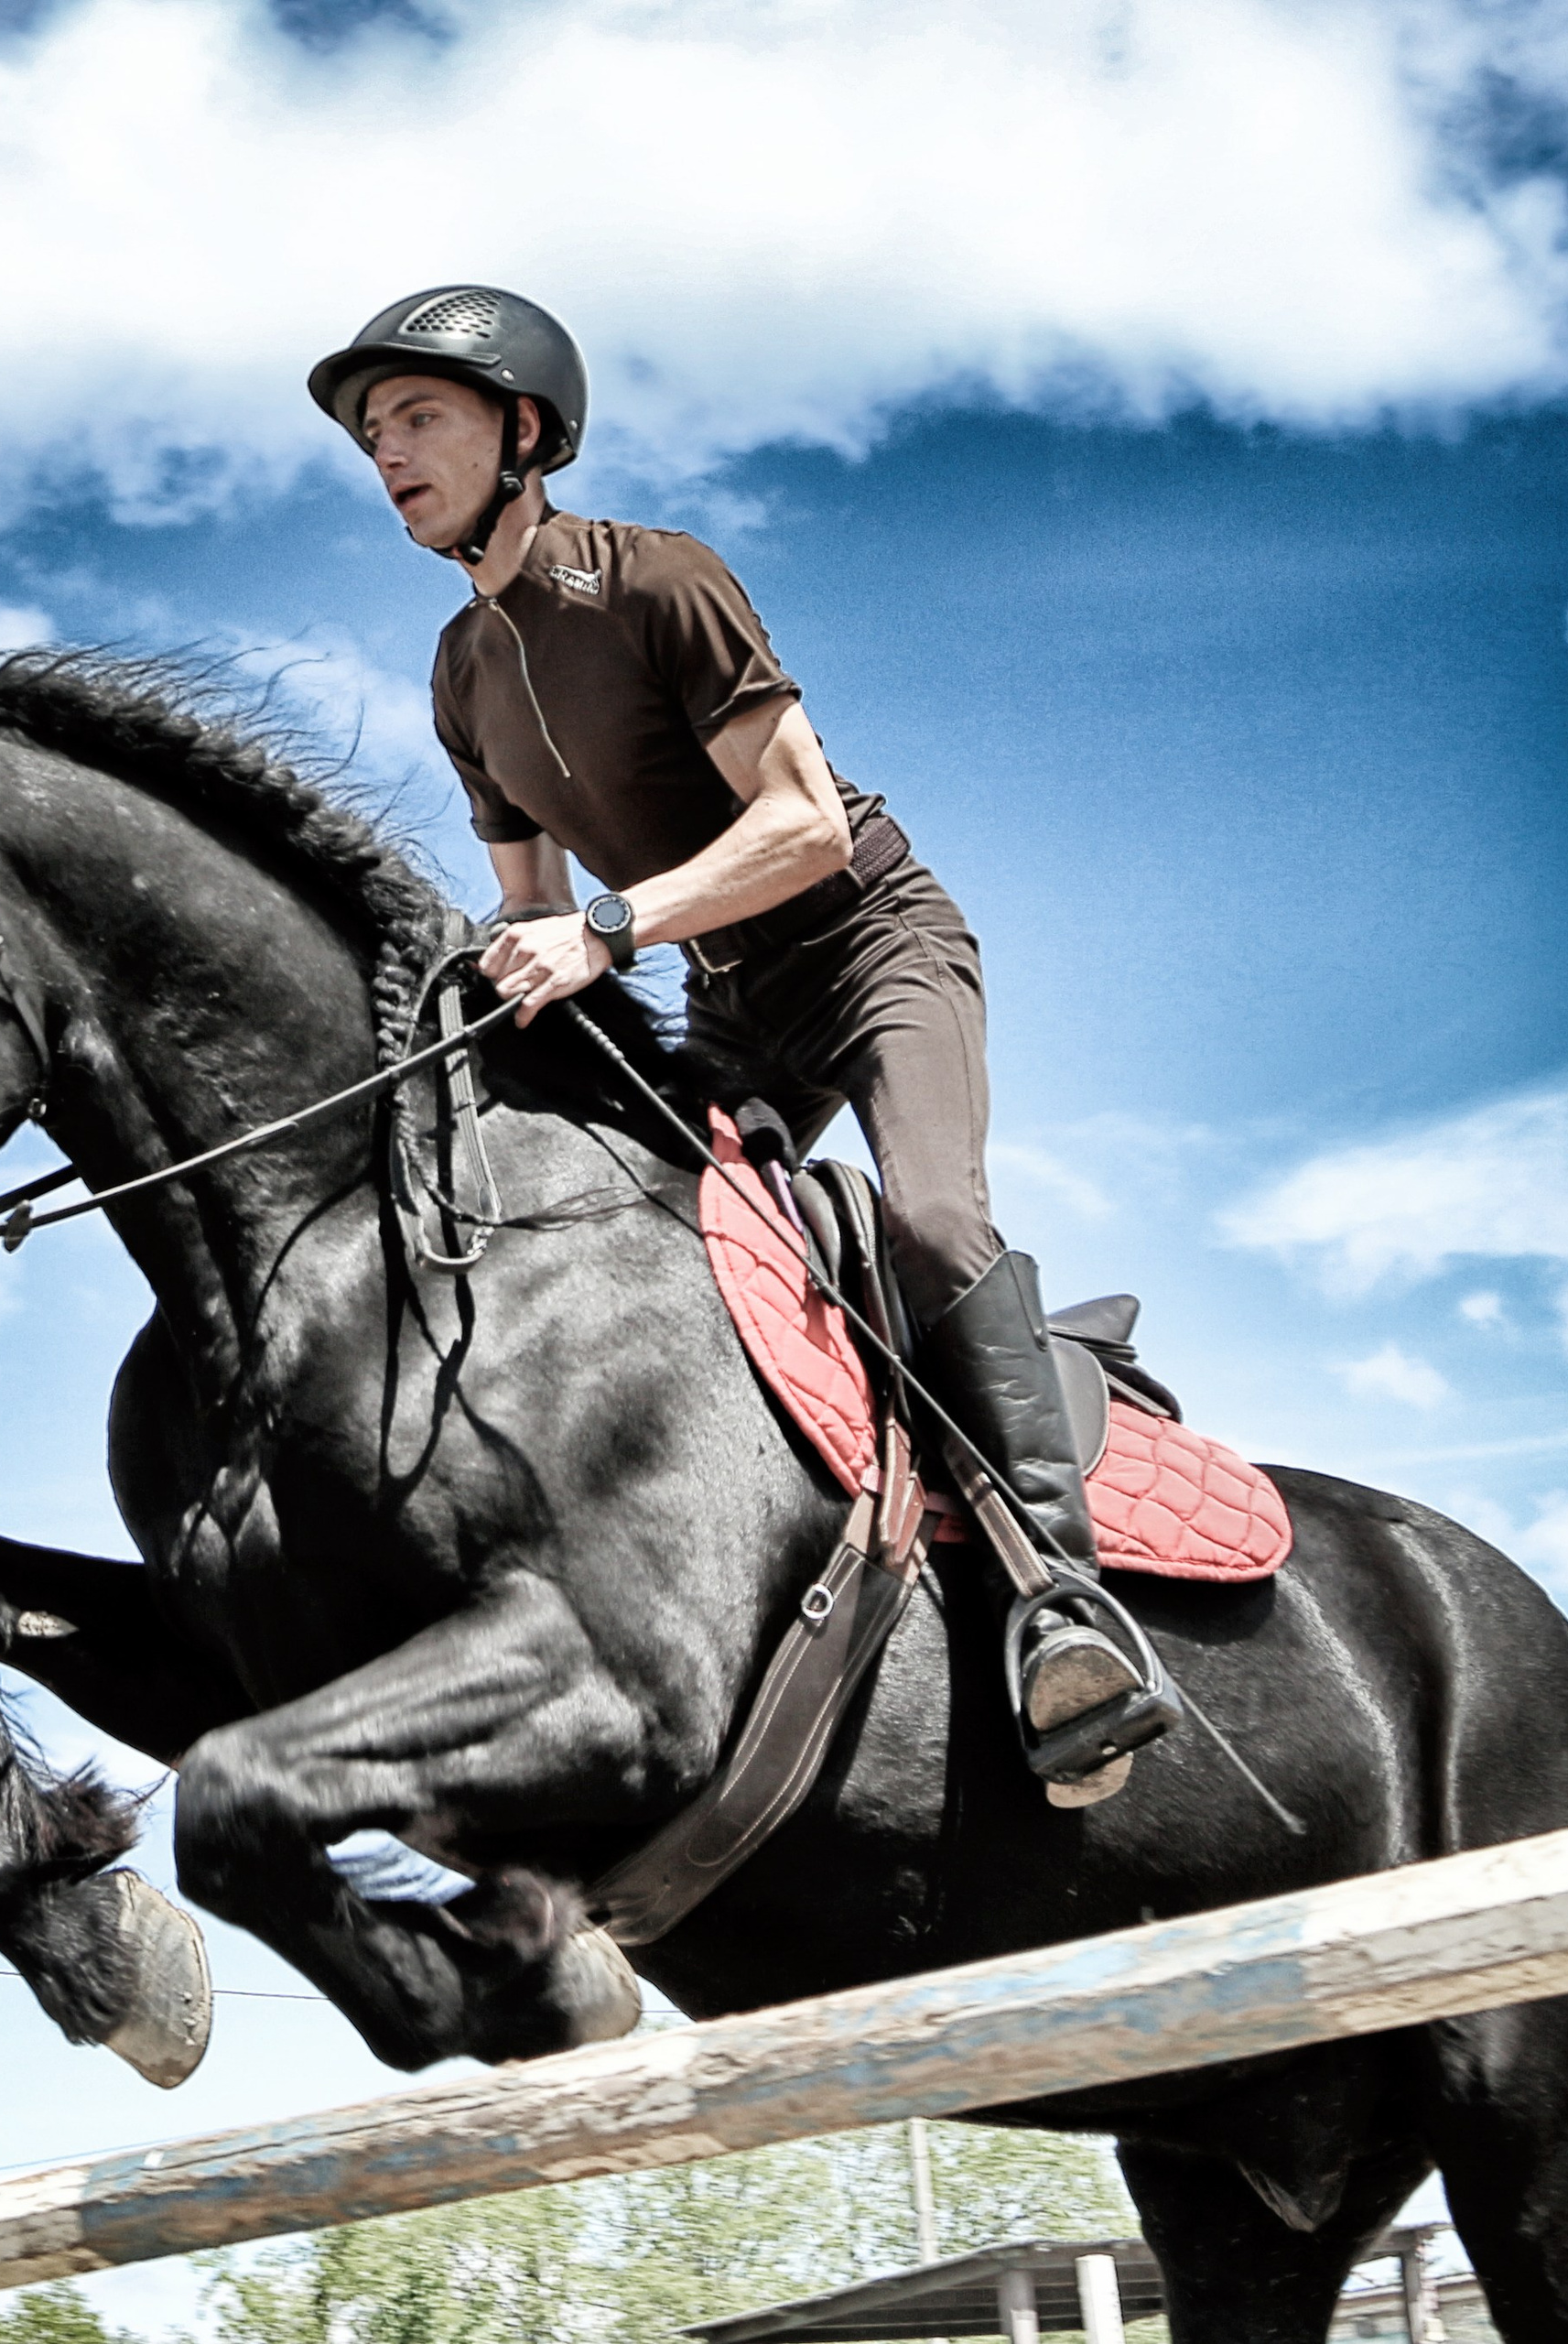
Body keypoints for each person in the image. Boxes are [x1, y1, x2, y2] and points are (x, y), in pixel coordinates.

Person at [307, 285, 1174, 1795]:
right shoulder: (460, 673)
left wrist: (609, 931)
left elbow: (804, 825)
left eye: (420, 417)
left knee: (930, 1213)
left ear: (523, 429)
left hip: (870, 945)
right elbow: (530, 904)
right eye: (375, 432)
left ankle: (1063, 1597)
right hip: (728, 1005)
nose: (390, 451)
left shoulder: (661, 582)